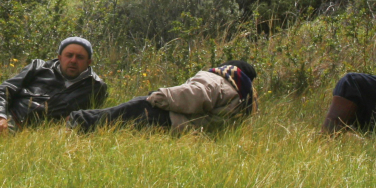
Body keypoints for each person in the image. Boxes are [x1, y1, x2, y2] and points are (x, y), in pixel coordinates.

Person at [67, 60, 257, 133]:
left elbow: (195, 95)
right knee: (123, 127)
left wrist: (159, 97)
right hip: (185, 130)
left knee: (125, 111)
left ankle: (79, 121)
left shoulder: (216, 79)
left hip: (168, 118)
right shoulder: (242, 100)